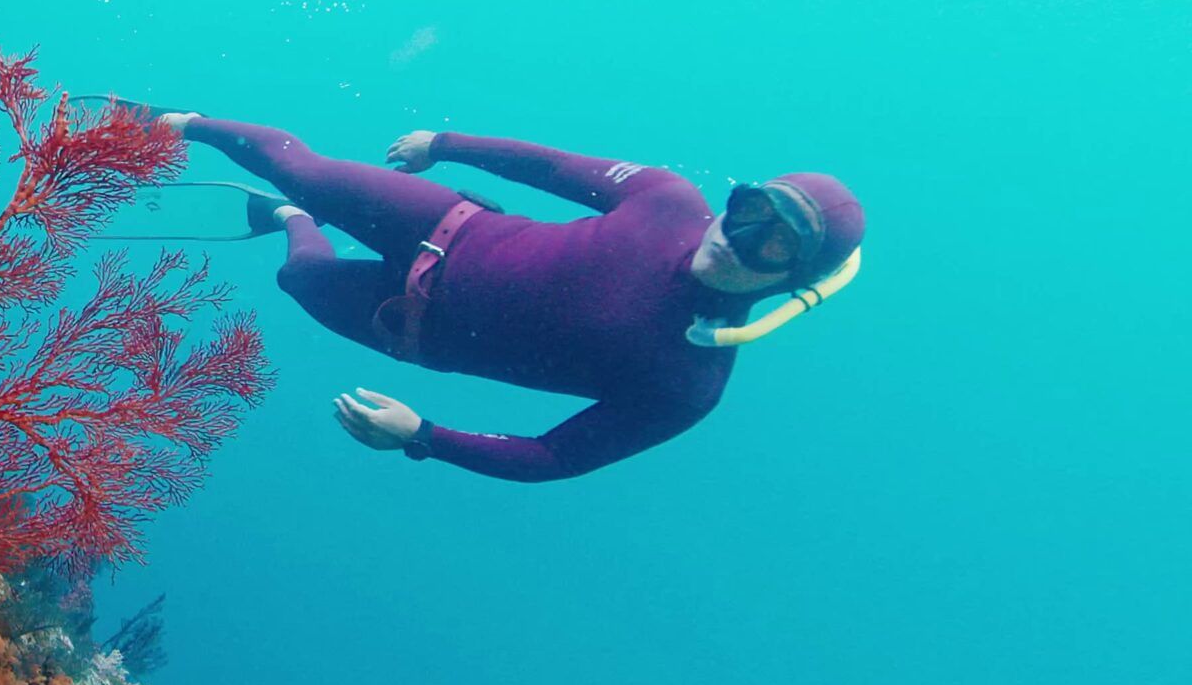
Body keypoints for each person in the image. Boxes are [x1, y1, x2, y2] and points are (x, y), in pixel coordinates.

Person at [116, 107, 864, 481]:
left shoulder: (688, 382)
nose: (740, 236)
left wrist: (422, 437)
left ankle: (289, 223)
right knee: (305, 168)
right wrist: (444, 144)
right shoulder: (669, 201)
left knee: (298, 277)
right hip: (446, 224)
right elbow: (552, 164)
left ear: (791, 278)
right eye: (750, 208)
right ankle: (177, 120)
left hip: (407, 329)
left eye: (774, 242)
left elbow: (551, 457)